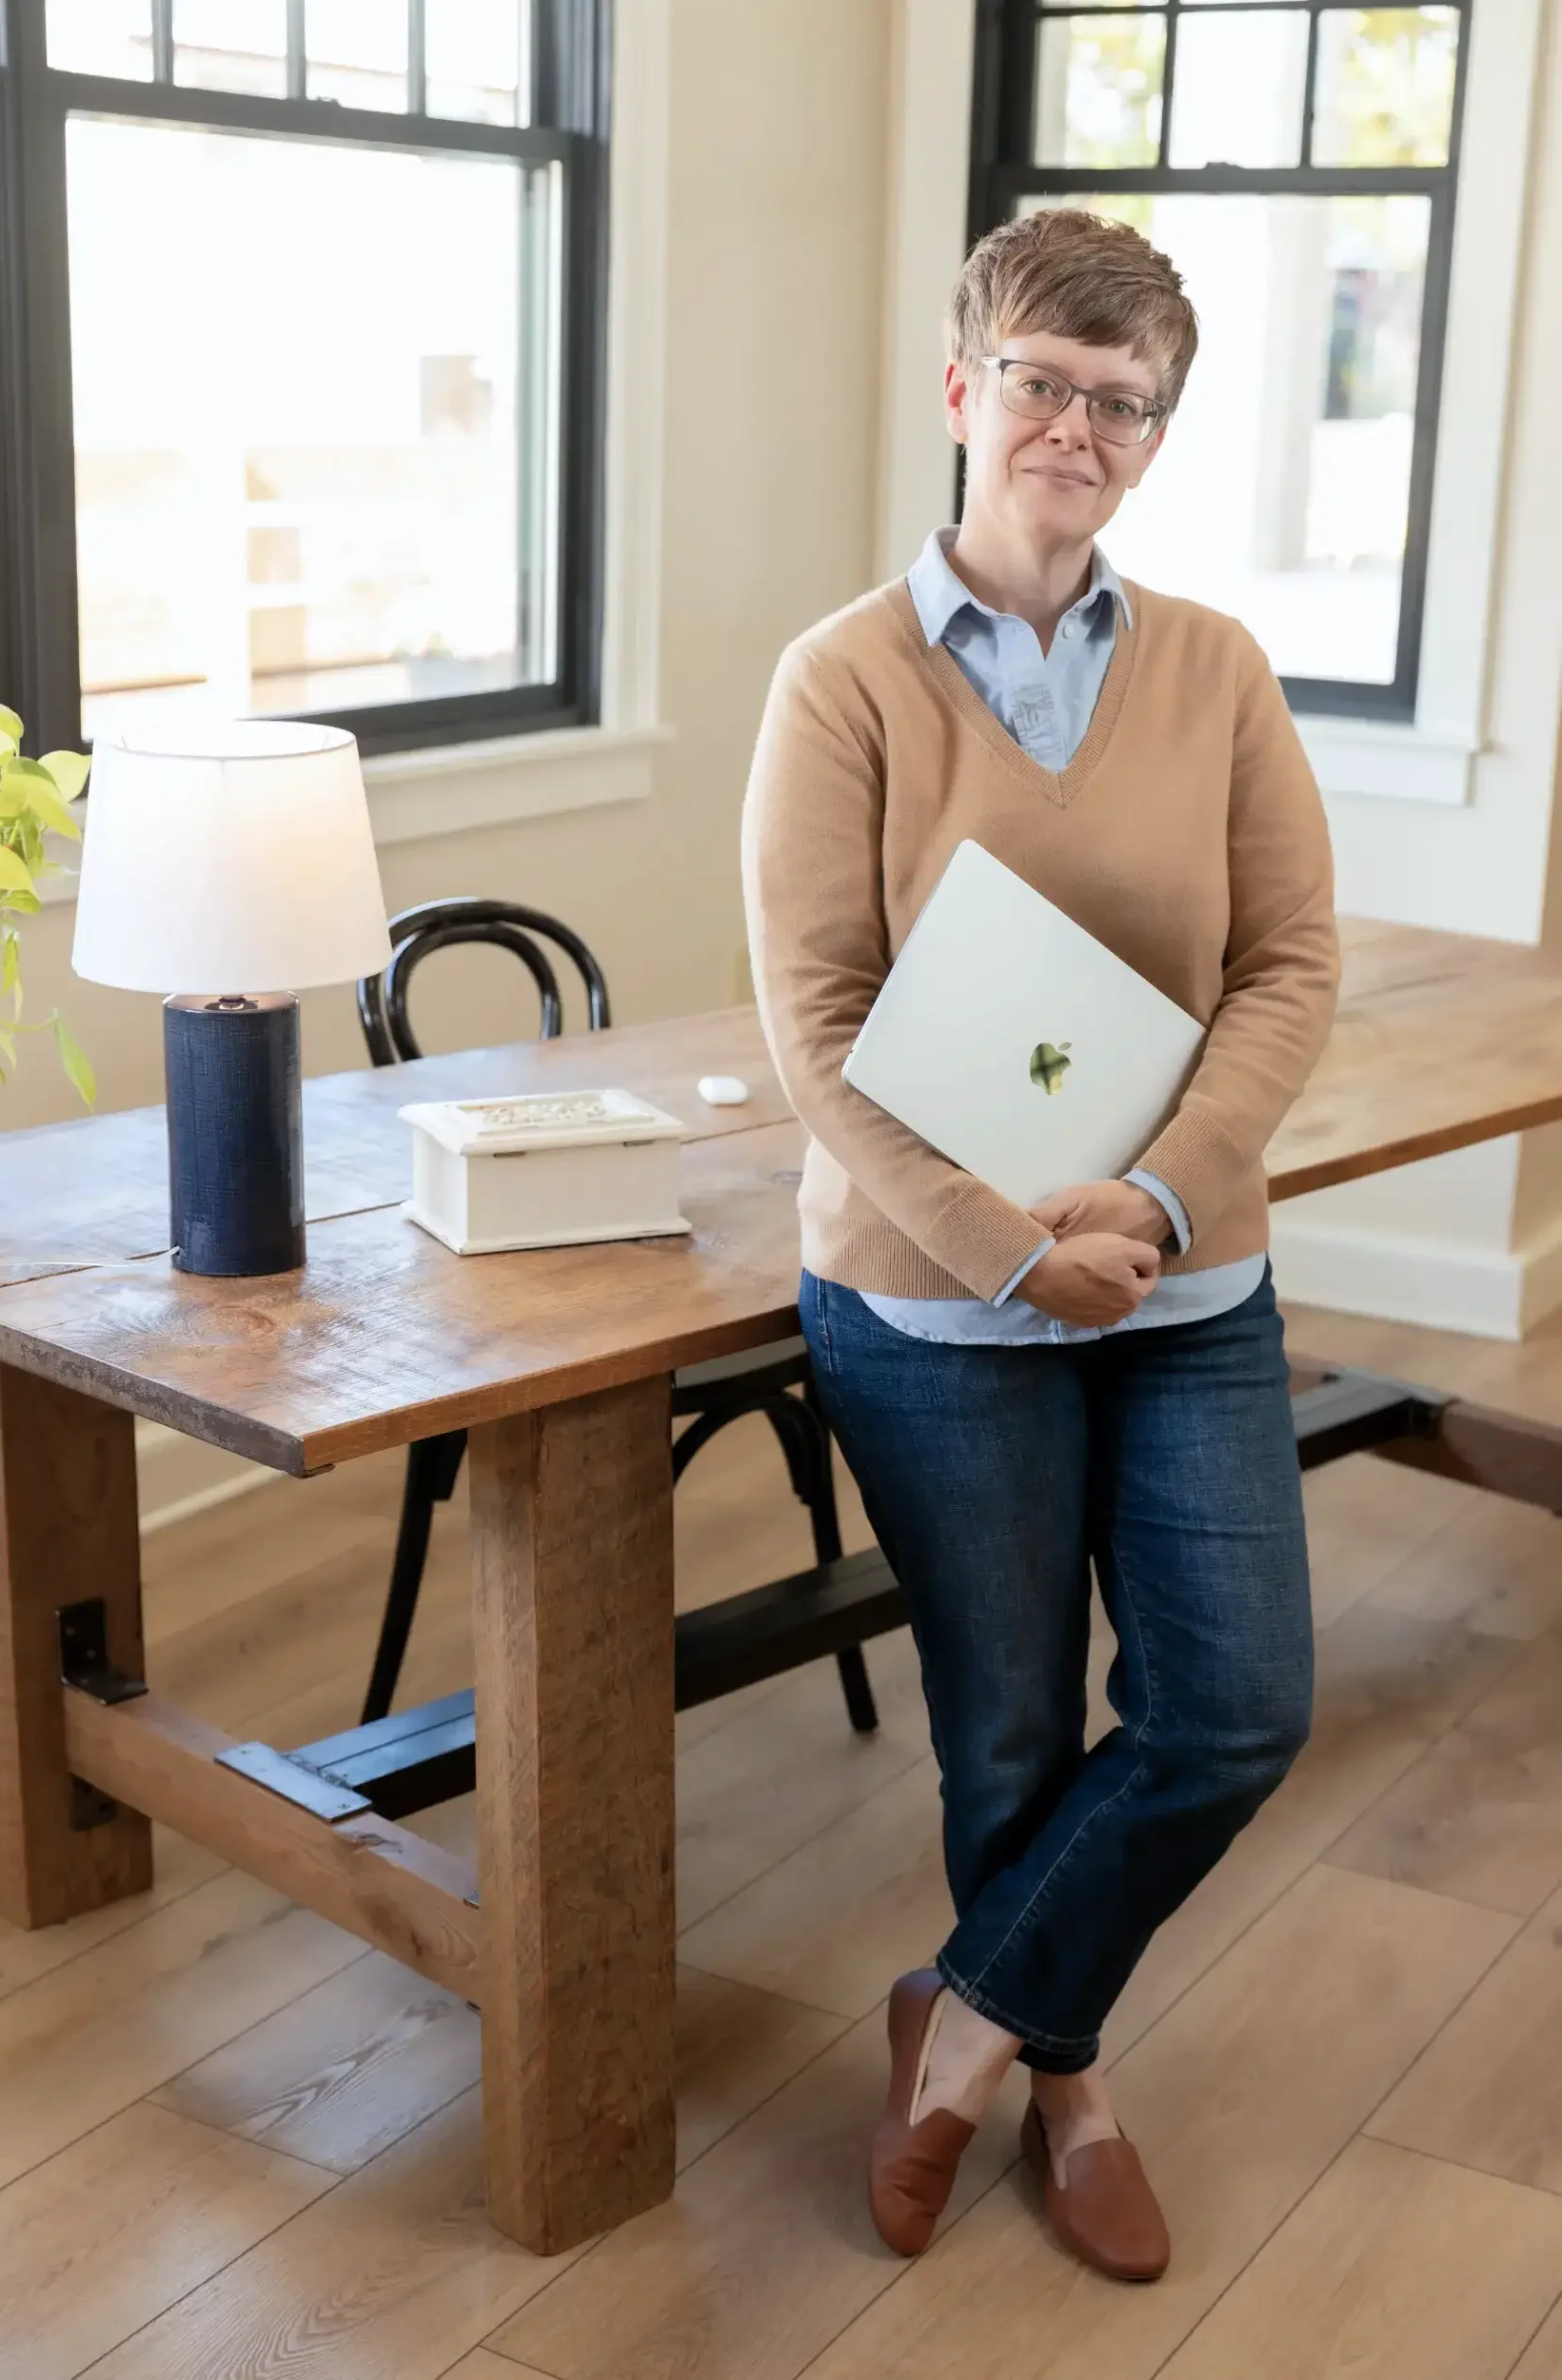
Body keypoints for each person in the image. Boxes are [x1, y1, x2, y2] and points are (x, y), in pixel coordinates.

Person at [741, 208, 1339, 2283]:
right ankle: (1070, 2086)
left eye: (1120, 401)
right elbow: (815, 1026)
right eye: (1039, 382)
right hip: (928, 1301)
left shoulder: (1215, 670)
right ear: (960, 391)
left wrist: (1159, 1198)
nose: (1072, 425)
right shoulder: (839, 684)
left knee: (1233, 1701)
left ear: (1152, 439)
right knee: (1003, 1727)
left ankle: (969, 2023)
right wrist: (1003, 1247)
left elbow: (1284, 965)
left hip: (1187, 1287)